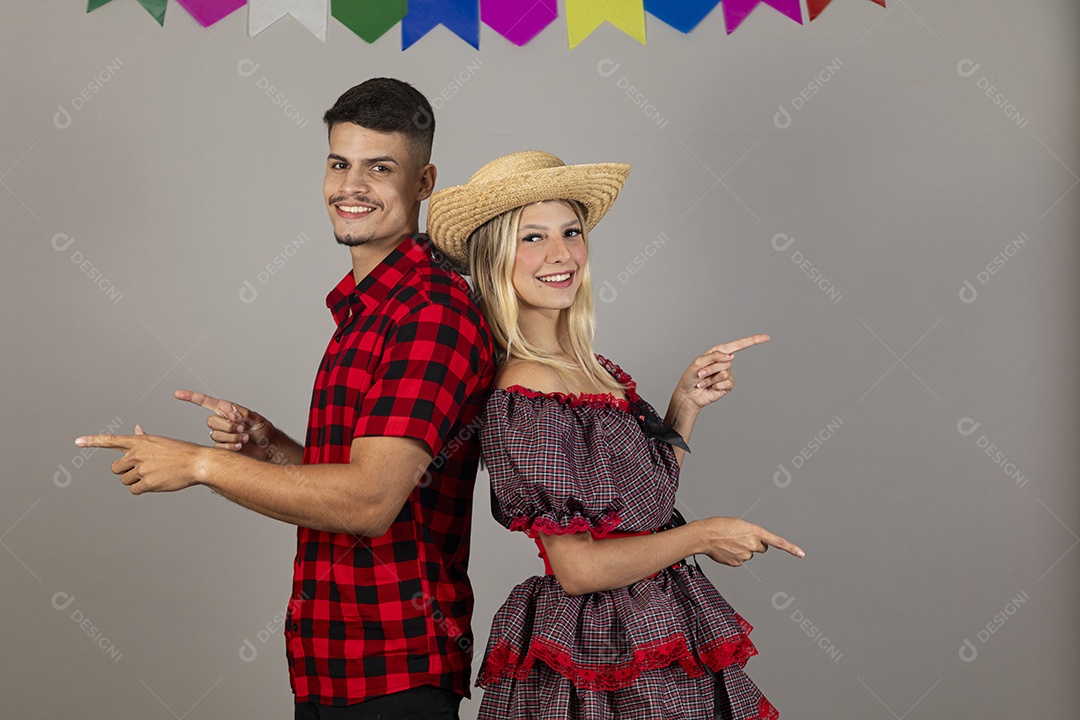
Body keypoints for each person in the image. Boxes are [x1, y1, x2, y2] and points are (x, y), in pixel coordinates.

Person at [75, 78, 495, 719]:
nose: (350, 186)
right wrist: (276, 453)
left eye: (379, 168)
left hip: (394, 669)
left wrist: (199, 465)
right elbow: (370, 481)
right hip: (334, 663)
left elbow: (370, 502)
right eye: (338, 163)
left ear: (424, 181)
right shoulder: (367, 309)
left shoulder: (429, 311)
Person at [425, 150, 804, 719]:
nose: (561, 254)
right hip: (598, 648)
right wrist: (703, 535)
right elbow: (578, 569)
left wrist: (685, 404)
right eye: (532, 238)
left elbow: (640, 508)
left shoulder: (593, 369)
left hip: (655, 623)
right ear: (494, 256)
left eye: (571, 231)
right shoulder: (526, 387)